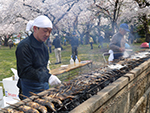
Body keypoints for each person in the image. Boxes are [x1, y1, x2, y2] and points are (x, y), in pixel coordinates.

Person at [15, 15, 61, 100]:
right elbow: (25, 71)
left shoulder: (43, 46)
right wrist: (47, 77)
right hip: (29, 87)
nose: (47, 34)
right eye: (45, 31)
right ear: (35, 29)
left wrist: (48, 75)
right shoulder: (24, 46)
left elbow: (43, 66)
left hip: (43, 84)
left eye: (50, 31)